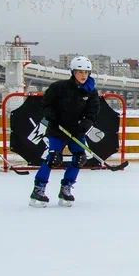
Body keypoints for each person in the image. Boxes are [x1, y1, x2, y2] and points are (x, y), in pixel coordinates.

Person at [30, 56, 102, 207]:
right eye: (80, 71)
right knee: (53, 158)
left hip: (76, 131)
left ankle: (66, 188)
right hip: (58, 130)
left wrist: (85, 124)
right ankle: (38, 189)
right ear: (73, 72)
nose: (83, 75)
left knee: (79, 158)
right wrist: (51, 116)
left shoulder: (91, 92)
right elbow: (46, 104)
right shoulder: (59, 87)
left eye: (86, 72)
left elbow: (93, 112)